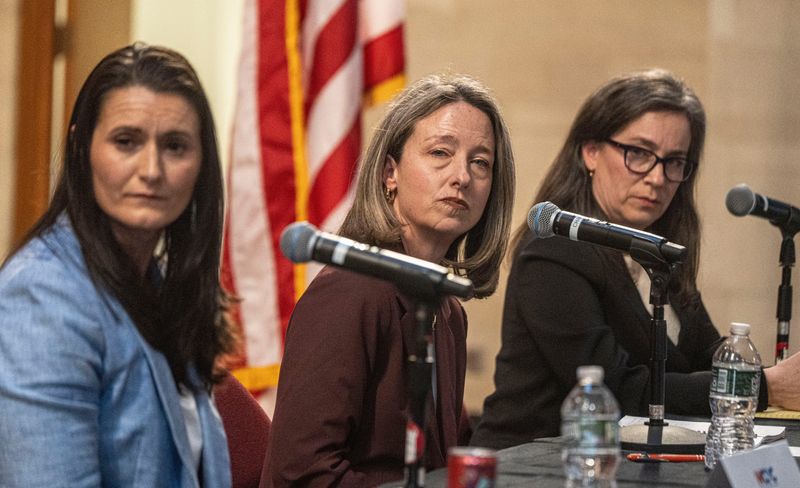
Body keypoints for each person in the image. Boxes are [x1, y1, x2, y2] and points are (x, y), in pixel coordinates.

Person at [471, 68, 800, 450]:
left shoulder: (658, 255)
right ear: (590, 152)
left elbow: (707, 355)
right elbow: (619, 389)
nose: (658, 178)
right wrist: (762, 385)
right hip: (531, 467)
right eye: (639, 153)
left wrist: (773, 374)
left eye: (674, 161)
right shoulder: (551, 253)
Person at [0, 43, 236, 486]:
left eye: (175, 146)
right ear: (80, 147)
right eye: (126, 141)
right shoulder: (41, 296)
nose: (151, 169)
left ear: (201, 163)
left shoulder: (157, 285)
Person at [263, 74, 516, 487]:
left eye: (480, 162)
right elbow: (301, 472)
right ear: (389, 172)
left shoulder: (447, 309)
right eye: (440, 153)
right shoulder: (349, 291)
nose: (462, 177)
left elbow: (442, 457)